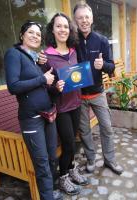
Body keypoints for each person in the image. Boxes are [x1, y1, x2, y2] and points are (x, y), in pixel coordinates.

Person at [4, 20, 63, 200]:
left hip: (48, 116)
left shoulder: (35, 58)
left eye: (38, 34)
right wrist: (42, 80)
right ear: (22, 35)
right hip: (31, 119)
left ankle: (49, 192)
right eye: (31, 32)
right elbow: (13, 86)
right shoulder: (14, 54)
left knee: (52, 157)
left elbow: (42, 87)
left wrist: (55, 88)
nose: (35, 36)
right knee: (42, 163)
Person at [73, 2, 124, 175]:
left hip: (97, 93)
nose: (84, 21)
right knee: (85, 131)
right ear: (76, 20)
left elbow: (111, 67)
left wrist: (103, 65)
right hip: (79, 96)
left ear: (92, 18)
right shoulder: (72, 41)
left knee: (107, 128)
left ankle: (110, 160)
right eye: (80, 18)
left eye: (86, 17)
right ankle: (91, 159)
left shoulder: (101, 40)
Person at [43, 13, 89, 195]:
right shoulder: (46, 56)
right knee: (69, 143)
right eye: (58, 26)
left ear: (70, 30)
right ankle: (63, 177)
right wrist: (56, 87)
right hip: (61, 108)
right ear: (52, 30)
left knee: (74, 141)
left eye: (65, 26)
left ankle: (71, 169)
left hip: (76, 103)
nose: (63, 30)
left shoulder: (73, 51)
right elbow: (44, 85)